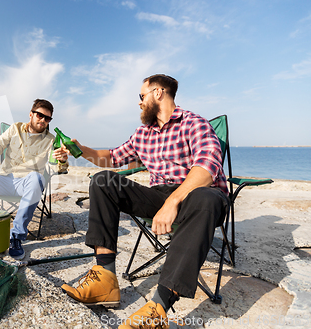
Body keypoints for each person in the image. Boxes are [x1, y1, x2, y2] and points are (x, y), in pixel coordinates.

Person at [61, 75, 229, 328]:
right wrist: (81, 149)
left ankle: (158, 309)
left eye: (142, 96)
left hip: (200, 197)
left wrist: (173, 202)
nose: (139, 103)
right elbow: (113, 158)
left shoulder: (194, 123)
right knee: (103, 181)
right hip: (160, 196)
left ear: (158, 93)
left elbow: (206, 169)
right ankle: (105, 279)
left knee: (204, 197)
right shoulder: (143, 134)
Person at [0, 99, 69, 260]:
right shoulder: (15, 129)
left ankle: (16, 236)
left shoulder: (52, 140)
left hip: (27, 184)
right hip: (4, 180)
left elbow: (56, 167)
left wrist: (62, 161)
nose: (43, 120)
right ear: (31, 114)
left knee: (36, 178)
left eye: (47, 118)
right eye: (40, 115)